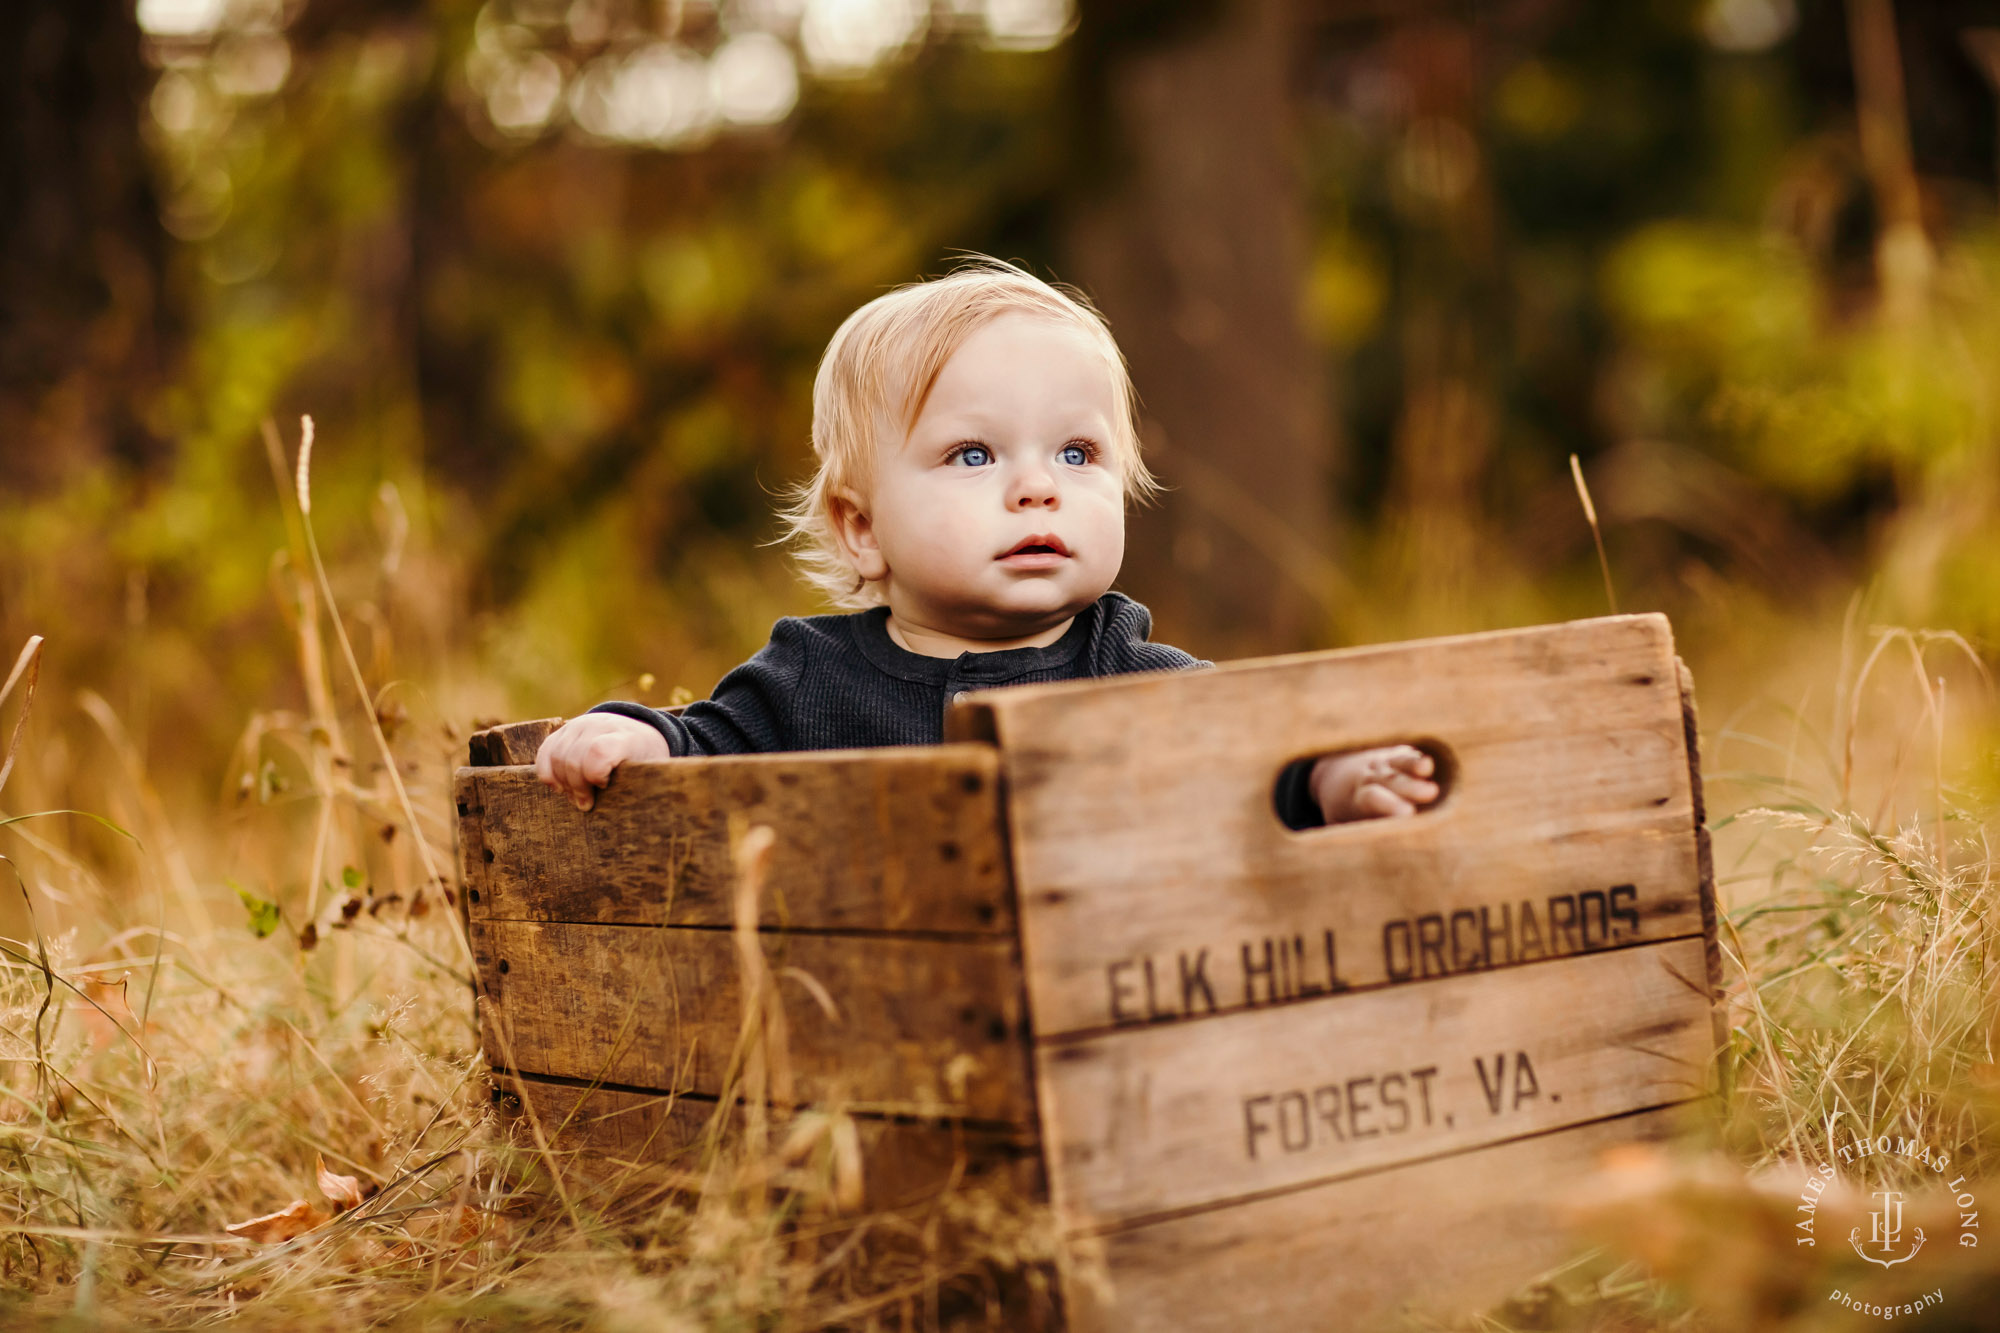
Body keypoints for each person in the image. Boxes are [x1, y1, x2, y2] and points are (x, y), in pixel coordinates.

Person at [535, 258, 1439, 825]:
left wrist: (1331, 782)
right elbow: (704, 749)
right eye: (973, 454)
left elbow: (1256, 764)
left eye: (1078, 452)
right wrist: (632, 736)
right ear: (861, 528)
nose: (1037, 484)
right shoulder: (808, 677)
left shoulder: (1131, 671)